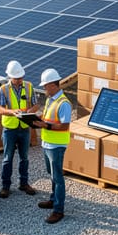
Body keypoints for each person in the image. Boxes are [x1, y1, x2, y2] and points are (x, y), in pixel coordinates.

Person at [0, 60, 40, 199]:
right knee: (7, 158)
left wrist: (29, 112)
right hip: (10, 128)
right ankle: (6, 186)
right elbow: (0, 109)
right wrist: (13, 112)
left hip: (24, 128)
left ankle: (24, 183)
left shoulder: (29, 86)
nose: (19, 80)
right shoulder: (3, 90)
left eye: (21, 77)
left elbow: (36, 104)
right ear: (10, 77)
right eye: (17, 78)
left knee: (24, 158)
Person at [33, 68, 72, 224]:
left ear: (54, 85)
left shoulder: (64, 103)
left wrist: (45, 126)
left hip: (56, 145)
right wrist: (35, 120)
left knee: (57, 177)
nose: (44, 89)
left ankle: (58, 210)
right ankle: (53, 199)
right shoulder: (50, 100)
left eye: (46, 86)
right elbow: (47, 116)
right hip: (47, 143)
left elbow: (64, 126)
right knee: (51, 174)